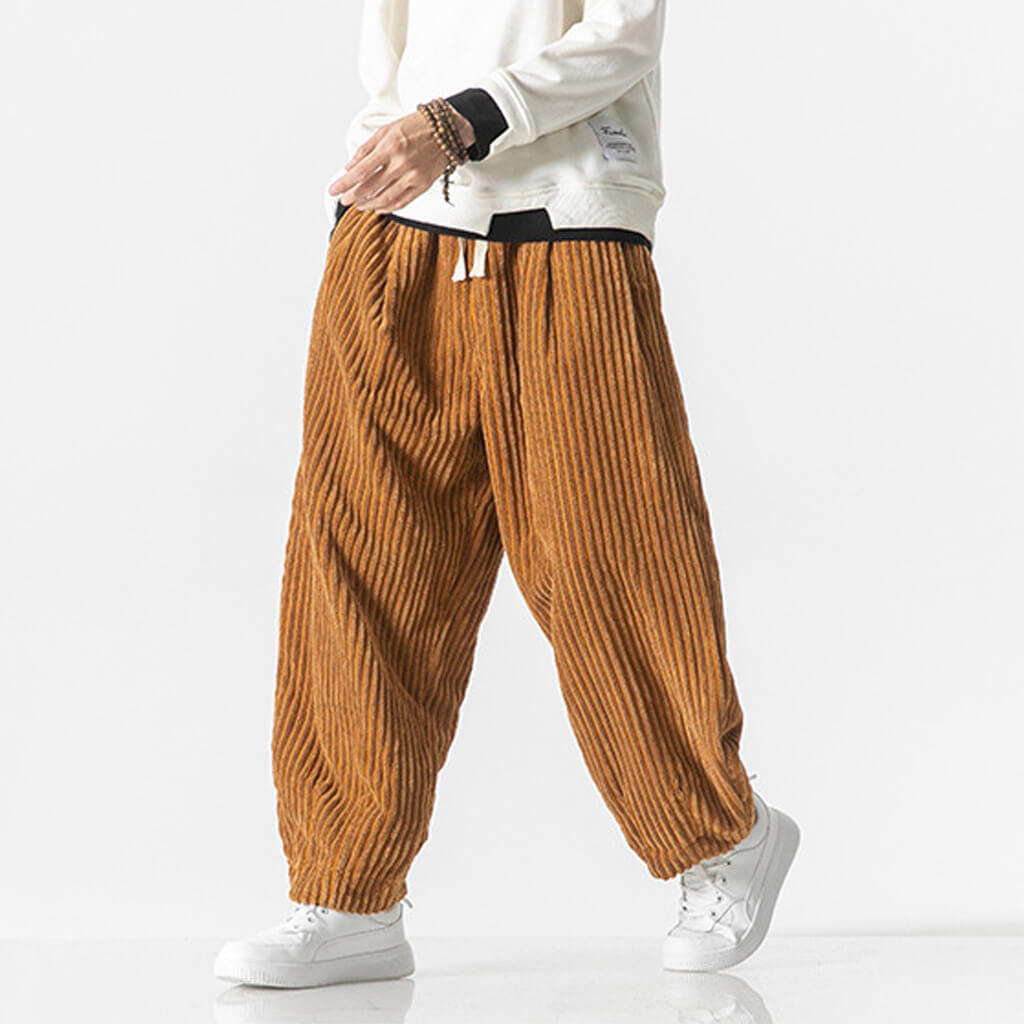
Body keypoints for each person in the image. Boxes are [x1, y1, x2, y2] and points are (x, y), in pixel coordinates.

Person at [214, 0, 799, 989]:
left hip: (570, 225)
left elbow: (625, 32)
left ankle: (720, 836)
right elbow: (388, 52)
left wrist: (461, 121)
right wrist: (365, 197)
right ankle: (348, 893)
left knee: (609, 558)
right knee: (362, 568)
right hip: (397, 236)